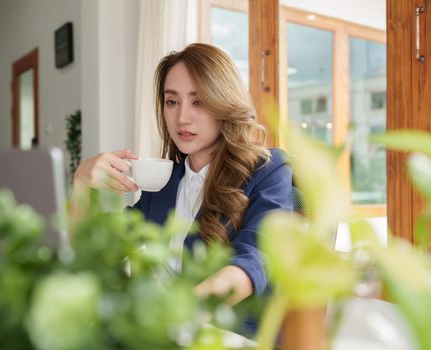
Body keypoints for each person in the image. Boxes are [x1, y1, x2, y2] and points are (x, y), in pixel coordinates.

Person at [73, 43, 292, 333]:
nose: (182, 118)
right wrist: (80, 185)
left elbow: (254, 261)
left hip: (234, 337)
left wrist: (172, 318)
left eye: (198, 102)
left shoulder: (268, 169)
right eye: (172, 102)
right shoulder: (163, 181)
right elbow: (94, 254)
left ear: (223, 103)